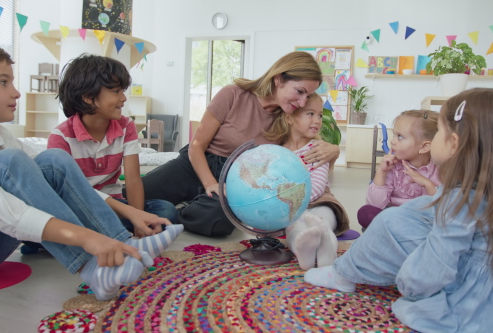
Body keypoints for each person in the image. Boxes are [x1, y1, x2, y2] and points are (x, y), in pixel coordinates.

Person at [0, 38, 183, 301]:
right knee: (12, 161)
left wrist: (132, 213)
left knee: (53, 160)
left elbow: (60, 181)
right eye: (3, 82)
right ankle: (92, 266)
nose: (16, 92)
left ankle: (124, 244)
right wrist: (86, 238)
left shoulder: (1, 136)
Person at [304, 88, 493, 332]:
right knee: (407, 212)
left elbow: (435, 265)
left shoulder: (459, 201)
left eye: (439, 131)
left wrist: (408, 284)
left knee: (388, 221)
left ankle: (343, 274)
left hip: (468, 311)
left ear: (454, 144)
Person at [136, 51, 340, 237]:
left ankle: (178, 212)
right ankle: (193, 202)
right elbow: (197, 145)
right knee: (135, 195)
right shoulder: (233, 94)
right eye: (300, 91)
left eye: (307, 96)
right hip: (197, 164)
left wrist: (334, 150)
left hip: (235, 180)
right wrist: (209, 183)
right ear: (279, 79)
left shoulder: (287, 117)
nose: (302, 102)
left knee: (219, 223)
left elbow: (303, 149)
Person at [47, 54, 178, 238]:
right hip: (78, 208)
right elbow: (73, 192)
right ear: (88, 97)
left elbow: (132, 180)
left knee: (166, 210)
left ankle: (99, 233)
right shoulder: (61, 137)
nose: (124, 98)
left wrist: (137, 218)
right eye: (116, 91)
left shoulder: (126, 126)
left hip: (115, 208)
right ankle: (102, 233)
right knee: (51, 221)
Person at [264, 94, 350, 270]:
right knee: (295, 230)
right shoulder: (278, 153)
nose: (317, 120)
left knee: (324, 220)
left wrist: (298, 196)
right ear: (289, 118)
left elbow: (317, 186)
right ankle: (303, 249)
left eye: (319, 115)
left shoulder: (319, 149)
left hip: (320, 200)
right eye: (310, 114)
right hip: (293, 208)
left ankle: (328, 250)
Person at [358, 109, 440, 231]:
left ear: (424, 147)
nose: (392, 141)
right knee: (366, 213)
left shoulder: (440, 168)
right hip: (393, 215)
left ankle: (395, 233)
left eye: (400, 137)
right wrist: (381, 172)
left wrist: (427, 184)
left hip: (423, 219)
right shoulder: (394, 166)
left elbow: (444, 206)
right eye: (394, 135)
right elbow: (375, 204)